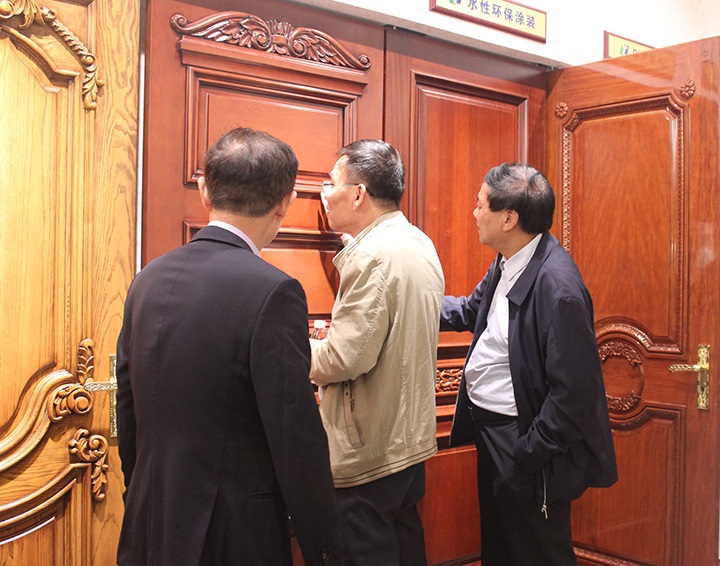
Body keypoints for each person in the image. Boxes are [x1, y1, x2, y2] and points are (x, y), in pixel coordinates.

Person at [116, 127, 342, 566]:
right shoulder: (274, 291)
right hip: (231, 533)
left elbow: (128, 409)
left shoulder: (147, 279)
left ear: (204, 190)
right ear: (285, 202)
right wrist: (325, 550)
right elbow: (295, 434)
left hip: (148, 519)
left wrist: (139, 493)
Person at [440, 163, 617, 566]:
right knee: (502, 548)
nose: (474, 213)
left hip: (522, 441)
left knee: (537, 552)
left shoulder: (558, 287)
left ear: (509, 218)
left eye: (480, 204)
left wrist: (528, 452)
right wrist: (413, 300)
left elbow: (575, 393)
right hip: (492, 431)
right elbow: (471, 310)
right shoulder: (509, 259)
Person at [310, 139, 444, 566]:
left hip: (369, 451)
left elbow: (343, 359)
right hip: (407, 444)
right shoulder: (416, 241)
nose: (324, 194)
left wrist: (292, 347)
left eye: (331, 183)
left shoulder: (371, 255)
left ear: (358, 194)